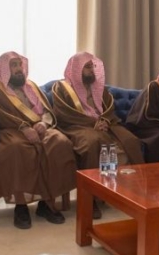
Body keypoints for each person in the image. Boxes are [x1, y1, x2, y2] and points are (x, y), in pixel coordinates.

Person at [0, 51, 77, 229]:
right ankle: (21, 207)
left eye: (20, 65)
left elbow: (47, 110)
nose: (19, 69)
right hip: (12, 130)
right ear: (4, 69)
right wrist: (23, 127)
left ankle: (46, 204)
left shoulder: (31, 86)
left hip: (40, 128)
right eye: (14, 65)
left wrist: (43, 123)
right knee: (16, 149)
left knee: (60, 143)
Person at [52, 52, 144, 218]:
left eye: (92, 66)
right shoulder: (61, 88)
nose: (91, 70)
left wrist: (105, 121)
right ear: (77, 69)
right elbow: (64, 113)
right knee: (92, 143)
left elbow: (109, 107)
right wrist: (92, 123)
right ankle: (91, 198)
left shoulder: (98, 88)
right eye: (87, 67)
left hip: (104, 124)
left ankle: (132, 191)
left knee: (130, 140)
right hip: (77, 126)